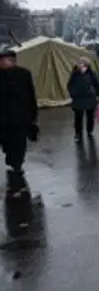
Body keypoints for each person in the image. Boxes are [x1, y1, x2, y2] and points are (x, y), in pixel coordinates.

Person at [0, 47, 39, 198]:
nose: (5, 62)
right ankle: (11, 158)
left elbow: (31, 94)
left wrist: (34, 115)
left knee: (20, 143)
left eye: (7, 59)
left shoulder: (24, 74)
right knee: (7, 143)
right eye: (2, 60)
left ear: (13, 61)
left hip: (21, 117)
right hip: (2, 118)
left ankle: (18, 165)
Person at [67, 57, 99, 141]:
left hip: (90, 98)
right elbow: (69, 85)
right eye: (79, 63)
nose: (80, 65)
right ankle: (78, 133)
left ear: (86, 65)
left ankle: (89, 131)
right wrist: (73, 93)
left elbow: (97, 85)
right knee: (78, 118)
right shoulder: (75, 74)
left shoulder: (91, 74)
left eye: (82, 64)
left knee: (90, 116)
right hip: (78, 99)